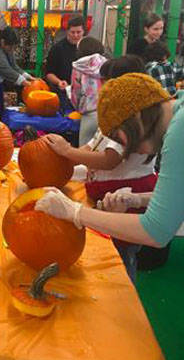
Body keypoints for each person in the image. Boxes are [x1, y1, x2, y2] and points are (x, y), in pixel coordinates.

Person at [36, 73, 184, 255]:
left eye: (117, 136)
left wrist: (75, 211)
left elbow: (155, 231)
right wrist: (140, 199)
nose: (128, 149)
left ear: (135, 116)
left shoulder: (180, 130)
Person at [45, 56, 151, 282]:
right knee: (110, 248)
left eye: (108, 84)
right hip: (106, 197)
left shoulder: (134, 117)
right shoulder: (113, 112)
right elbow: (92, 145)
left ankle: (125, 290)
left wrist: (68, 152)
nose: (102, 90)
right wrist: (61, 159)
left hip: (127, 197)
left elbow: (109, 159)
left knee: (123, 252)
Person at [70, 36, 107, 145]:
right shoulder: (107, 64)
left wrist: (77, 107)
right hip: (107, 112)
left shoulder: (78, 67)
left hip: (89, 113)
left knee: (86, 152)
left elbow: (75, 91)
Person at [45, 15, 85, 111]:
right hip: (63, 94)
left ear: (84, 32)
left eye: (78, 32)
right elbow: (49, 73)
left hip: (84, 95)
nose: (75, 35)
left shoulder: (87, 48)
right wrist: (59, 82)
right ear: (67, 31)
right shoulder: (57, 48)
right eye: (72, 32)